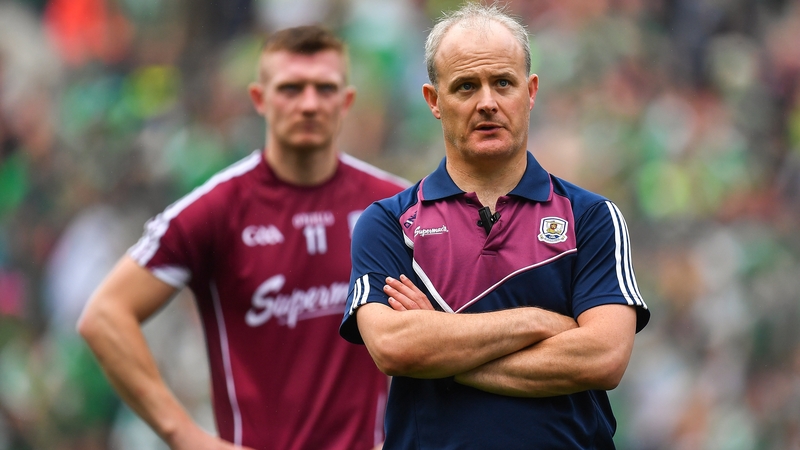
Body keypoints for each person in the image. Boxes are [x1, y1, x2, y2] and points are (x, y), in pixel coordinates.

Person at [78, 25, 407, 450]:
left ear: (346, 102)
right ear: (259, 99)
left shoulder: (394, 205)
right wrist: (186, 436)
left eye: (324, 89)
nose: (309, 104)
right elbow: (104, 315)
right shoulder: (218, 209)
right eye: (291, 88)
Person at [339, 4, 650, 449]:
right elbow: (395, 348)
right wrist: (538, 322)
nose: (487, 102)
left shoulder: (592, 217)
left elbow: (603, 358)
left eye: (502, 82)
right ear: (434, 101)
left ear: (531, 91)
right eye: (466, 86)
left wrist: (441, 343)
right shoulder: (387, 223)